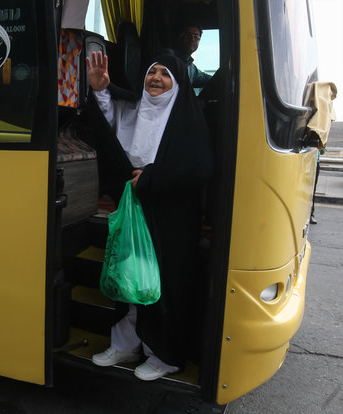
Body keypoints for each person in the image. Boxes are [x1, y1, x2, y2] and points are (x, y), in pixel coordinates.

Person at [85, 51, 213, 380]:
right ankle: (126, 345)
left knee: (163, 284)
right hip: (135, 207)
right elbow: (110, 127)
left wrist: (153, 179)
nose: (155, 78)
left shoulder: (188, 118)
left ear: (178, 83)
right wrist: (100, 90)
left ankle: (163, 355)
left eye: (165, 74)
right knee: (130, 275)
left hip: (171, 217)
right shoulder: (136, 107)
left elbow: (200, 168)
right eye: (152, 72)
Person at [164, 24, 211, 89]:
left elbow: (206, 79)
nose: (192, 38)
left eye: (196, 36)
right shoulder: (167, 59)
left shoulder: (191, 67)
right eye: (187, 35)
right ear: (179, 37)